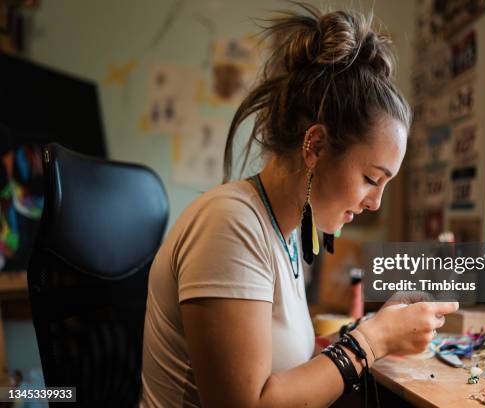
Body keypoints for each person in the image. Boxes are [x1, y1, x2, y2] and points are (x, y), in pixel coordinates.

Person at [139, 4, 458, 407]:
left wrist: (379, 327)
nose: (376, 202)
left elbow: (285, 365)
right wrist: (373, 341)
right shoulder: (230, 225)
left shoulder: (284, 232)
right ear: (316, 146)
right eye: (371, 179)